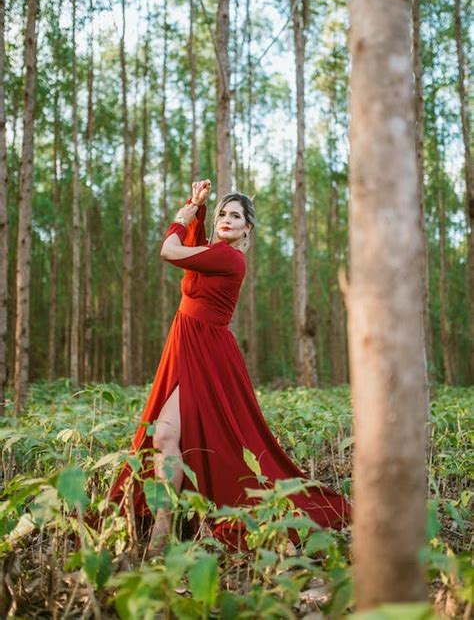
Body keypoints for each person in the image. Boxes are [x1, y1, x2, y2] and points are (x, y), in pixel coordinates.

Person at [108, 179, 351, 557]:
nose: (226, 219)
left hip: (209, 353)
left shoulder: (230, 258)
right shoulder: (212, 251)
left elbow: (171, 252)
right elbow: (195, 247)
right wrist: (198, 205)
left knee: (198, 438)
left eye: (234, 216)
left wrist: (178, 219)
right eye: (223, 213)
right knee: (166, 435)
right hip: (185, 345)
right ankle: (163, 529)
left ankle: (169, 529)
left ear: (246, 229)